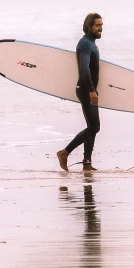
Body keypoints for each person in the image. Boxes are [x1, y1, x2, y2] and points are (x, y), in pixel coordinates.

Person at [57, 13, 102, 172]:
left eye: (101, 25)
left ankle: (87, 163)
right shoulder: (84, 44)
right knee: (94, 127)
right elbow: (84, 69)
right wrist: (91, 91)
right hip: (85, 89)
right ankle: (64, 152)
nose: (100, 28)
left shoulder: (91, 43)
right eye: (97, 25)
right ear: (89, 26)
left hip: (90, 90)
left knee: (92, 126)